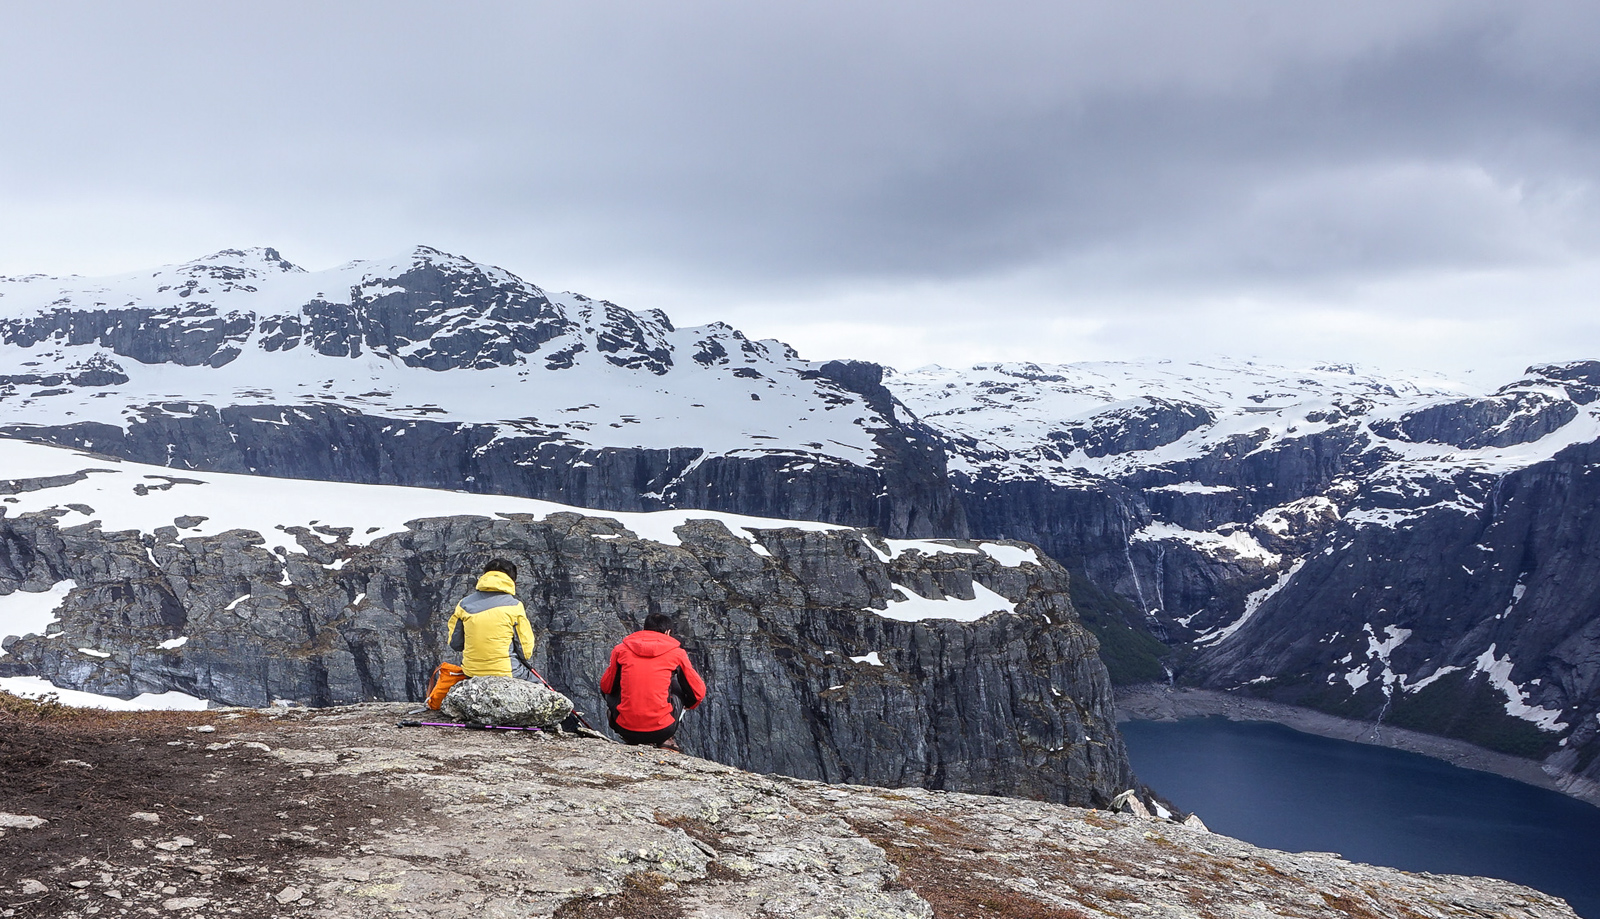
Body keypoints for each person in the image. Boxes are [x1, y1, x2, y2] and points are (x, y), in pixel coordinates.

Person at [600, 612, 706, 750]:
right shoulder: (677, 654)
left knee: (612, 683)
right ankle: (665, 739)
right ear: (668, 632)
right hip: (662, 730)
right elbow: (698, 693)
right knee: (676, 685)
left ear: (645, 630)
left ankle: (629, 730)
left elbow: (606, 687)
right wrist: (688, 705)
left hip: (625, 728)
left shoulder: (620, 650)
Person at [446, 558, 537, 678]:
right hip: (508, 672)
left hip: (471, 672)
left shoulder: (463, 605)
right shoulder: (515, 606)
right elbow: (525, 652)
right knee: (543, 690)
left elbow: (455, 644)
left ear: (484, 577)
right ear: (513, 582)